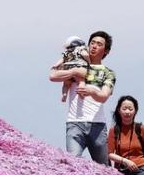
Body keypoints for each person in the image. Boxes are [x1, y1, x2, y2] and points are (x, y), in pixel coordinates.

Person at [49, 31, 116, 164]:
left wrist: (91, 91)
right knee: (72, 165)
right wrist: (74, 71)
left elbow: (103, 97)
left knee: (103, 169)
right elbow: (52, 75)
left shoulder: (108, 73)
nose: (94, 46)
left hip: (98, 125)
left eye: (99, 44)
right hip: (74, 123)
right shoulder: (76, 63)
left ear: (106, 51)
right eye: (92, 43)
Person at [108, 95, 144, 175]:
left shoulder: (140, 128)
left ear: (135, 111)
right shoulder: (113, 130)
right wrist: (125, 161)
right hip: (122, 171)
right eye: (124, 109)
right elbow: (110, 154)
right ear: (119, 110)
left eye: (130, 109)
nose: (127, 112)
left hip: (141, 170)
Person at [53, 36, 89, 102]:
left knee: (66, 84)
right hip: (78, 67)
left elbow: (62, 59)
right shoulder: (80, 49)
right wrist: (89, 62)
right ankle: (81, 92)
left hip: (67, 69)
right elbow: (85, 55)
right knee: (81, 81)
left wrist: (56, 65)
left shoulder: (68, 52)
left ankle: (64, 94)